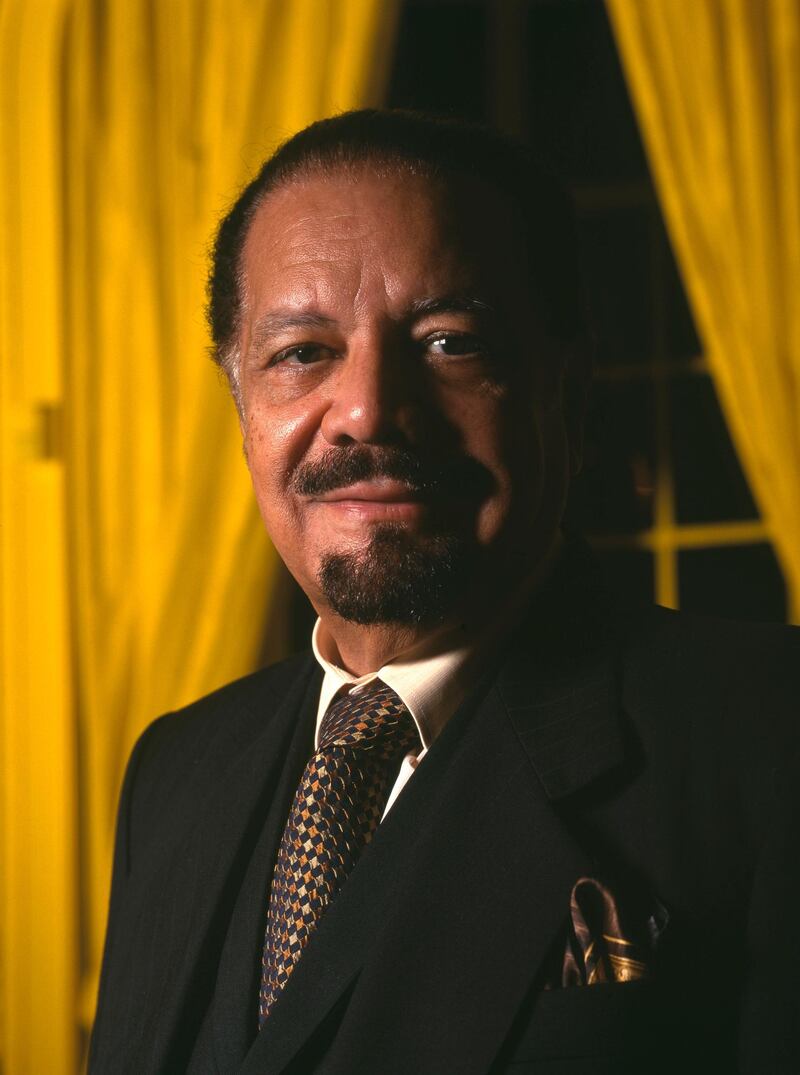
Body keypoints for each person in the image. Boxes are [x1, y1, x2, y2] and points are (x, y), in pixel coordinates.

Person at [89, 110, 799, 1075]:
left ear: (568, 392)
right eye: (301, 352)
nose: (371, 407)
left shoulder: (767, 735)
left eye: (449, 341)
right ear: (243, 406)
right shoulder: (174, 770)